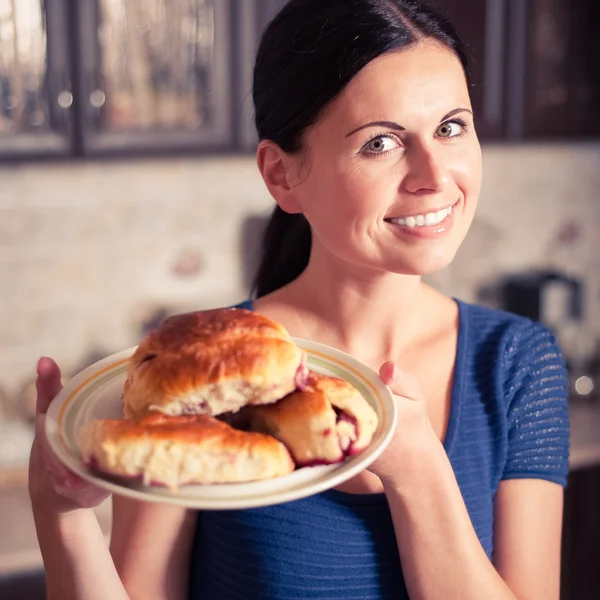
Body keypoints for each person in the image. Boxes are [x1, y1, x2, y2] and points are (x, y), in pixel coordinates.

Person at [29, 1, 570, 599]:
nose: (434, 175)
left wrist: (417, 472)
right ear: (282, 175)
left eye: (450, 127)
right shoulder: (202, 375)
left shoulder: (520, 363)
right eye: (381, 143)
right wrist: (64, 515)